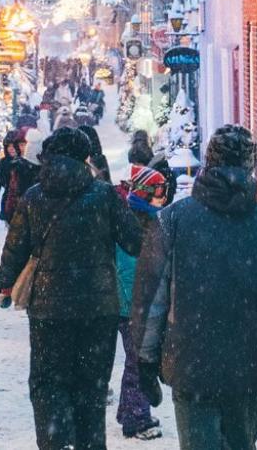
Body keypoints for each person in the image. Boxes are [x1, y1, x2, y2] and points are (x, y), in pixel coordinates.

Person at [132, 124, 257, 450]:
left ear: (208, 162)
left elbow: (154, 301)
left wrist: (146, 360)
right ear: (250, 166)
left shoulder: (174, 220)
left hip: (192, 365)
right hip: (248, 370)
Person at [0, 126, 142, 450]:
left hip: (49, 308)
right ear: (84, 158)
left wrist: (5, 283)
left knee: (48, 382)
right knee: (91, 386)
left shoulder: (33, 197)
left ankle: (55, 441)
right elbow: (134, 242)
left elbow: (15, 246)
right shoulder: (105, 196)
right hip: (98, 307)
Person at [115, 166, 167, 441]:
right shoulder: (133, 222)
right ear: (145, 193)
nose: (163, 198)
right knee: (139, 361)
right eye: (158, 192)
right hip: (131, 305)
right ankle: (137, 419)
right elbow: (126, 269)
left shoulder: (149, 219)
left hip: (135, 302)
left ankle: (129, 410)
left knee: (136, 360)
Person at [0, 129, 39, 227]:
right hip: (10, 209)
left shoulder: (31, 163)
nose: (11, 148)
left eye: (14, 145)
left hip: (30, 208)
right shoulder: (2, 165)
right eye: (8, 146)